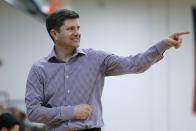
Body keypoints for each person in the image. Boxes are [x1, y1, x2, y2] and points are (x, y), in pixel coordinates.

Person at [25, 9, 190, 131]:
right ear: (55, 34)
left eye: (78, 28)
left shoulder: (96, 59)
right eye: (71, 29)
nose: (77, 33)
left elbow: (134, 64)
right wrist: (71, 112)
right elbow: (33, 112)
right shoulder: (39, 69)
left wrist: (163, 45)